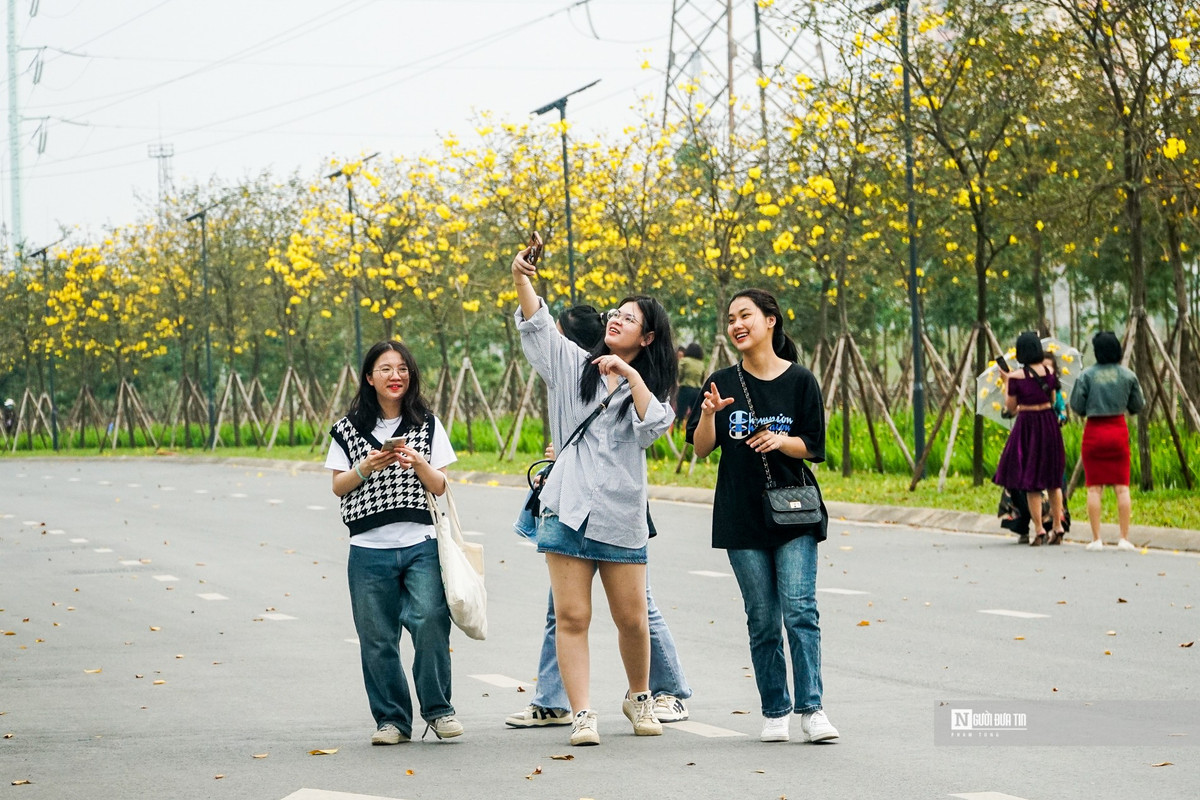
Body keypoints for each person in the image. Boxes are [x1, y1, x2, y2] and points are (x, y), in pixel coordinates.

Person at [511, 243, 677, 746]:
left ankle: (639, 695)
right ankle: (582, 713)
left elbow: (654, 428)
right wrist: (522, 277)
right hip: (567, 511)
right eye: (614, 315)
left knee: (631, 619)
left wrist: (628, 375)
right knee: (572, 617)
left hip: (622, 516)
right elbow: (538, 325)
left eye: (628, 319)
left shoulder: (651, 386)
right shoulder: (570, 366)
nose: (615, 321)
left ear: (647, 337)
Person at [687, 288, 839, 745]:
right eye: (731, 318)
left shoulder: (801, 381)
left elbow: (814, 445)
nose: (737, 324)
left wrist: (780, 441)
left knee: (800, 611)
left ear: (770, 320)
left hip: (793, 512)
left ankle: (812, 710)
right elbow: (700, 447)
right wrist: (710, 415)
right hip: (740, 513)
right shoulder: (721, 380)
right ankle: (776, 709)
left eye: (745, 315)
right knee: (762, 617)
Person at [325, 340, 462, 746]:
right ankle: (392, 721)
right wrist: (365, 467)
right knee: (378, 638)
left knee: (431, 623)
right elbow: (337, 487)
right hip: (368, 549)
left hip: (420, 543)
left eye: (402, 368)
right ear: (369, 378)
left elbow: (440, 486)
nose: (395, 376)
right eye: (385, 369)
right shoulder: (347, 428)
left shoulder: (427, 423)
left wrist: (419, 463)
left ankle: (439, 710)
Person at [1069, 331, 1146, 551]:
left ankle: (1096, 539)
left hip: (1094, 432)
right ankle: (1123, 538)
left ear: (1097, 351)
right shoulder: (1128, 375)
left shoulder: (1086, 376)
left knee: (1094, 489)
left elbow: (1077, 405)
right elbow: (1137, 405)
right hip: (1117, 431)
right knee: (1122, 488)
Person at [993, 332, 1067, 546]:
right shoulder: (1049, 371)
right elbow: (1052, 399)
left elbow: (1011, 407)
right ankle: (1058, 526)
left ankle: (1039, 529)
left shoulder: (1016, 377)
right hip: (1048, 423)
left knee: (1031, 480)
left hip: (1027, 425)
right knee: (1053, 480)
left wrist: (1007, 382)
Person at [676, 343, 706, 425]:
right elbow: (702, 378)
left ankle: (676, 432)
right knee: (695, 415)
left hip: (685, 389)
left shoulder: (684, 361)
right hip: (697, 391)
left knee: (680, 413)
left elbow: (679, 374)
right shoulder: (701, 364)